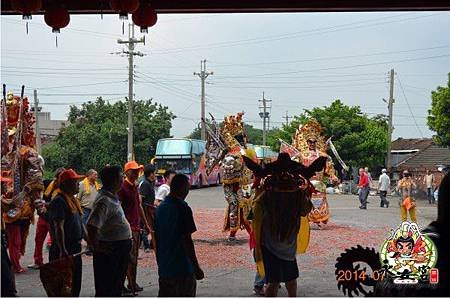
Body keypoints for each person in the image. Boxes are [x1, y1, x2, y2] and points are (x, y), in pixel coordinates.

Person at [86, 165, 132, 297]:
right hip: (111, 250)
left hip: (118, 249)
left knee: (115, 286)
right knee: (108, 287)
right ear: (114, 180)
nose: (123, 180)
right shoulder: (104, 201)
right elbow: (92, 226)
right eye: (121, 177)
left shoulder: (111, 197)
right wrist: (97, 247)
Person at [155, 174, 204, 297]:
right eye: (187, 188)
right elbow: (187, 240)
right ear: (182, 188)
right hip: (182, 267)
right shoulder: (182, 208)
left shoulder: (161, 208)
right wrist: (196, 267)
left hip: (165, 267)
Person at [291, 118, 339, 227]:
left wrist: (333, 175)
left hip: (319, 184)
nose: (312, 143)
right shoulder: (301, 155)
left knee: (319, 202)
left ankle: (319, 220)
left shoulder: (322, 155)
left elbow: (328, 168)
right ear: (306, 142)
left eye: (314, 141)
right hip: (306, 183)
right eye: (310, 141)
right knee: (305, 202)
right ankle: (305, 219)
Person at [48, 169, 85, 297]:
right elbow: (59, 227)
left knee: (75, 283)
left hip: (75, 247)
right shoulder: (59, 201)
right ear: (67, 184)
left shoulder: (73, 200)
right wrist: (62, 250)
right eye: (75, 182)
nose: (78, 185)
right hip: (64, 248)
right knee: (64, 287)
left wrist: (90, 242)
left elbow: (81, 224)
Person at [118, 161, 152, 295]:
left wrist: (146, 225)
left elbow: (139, 207)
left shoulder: (135, 187)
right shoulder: (123, 187)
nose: (136, 173)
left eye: (137, 171)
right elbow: (119, 210)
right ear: (126, 172)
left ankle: (132, 282)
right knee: (128, 259)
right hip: (128, 228)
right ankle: (125, 284)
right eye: (133, 171)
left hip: (137, 227)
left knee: (134, 258)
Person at [28, 167, 65, 269]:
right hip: (43, 216)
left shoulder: (63, 189)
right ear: (56, 178)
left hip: (54, 218)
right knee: (38, 239)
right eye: (59, 178)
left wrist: (46, 204)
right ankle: (38, 261)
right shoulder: (47, 183)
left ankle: (54, 261)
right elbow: (36, 189)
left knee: (55, 240)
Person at [139, 165, 157, 252]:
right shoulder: (145, 184)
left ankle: (148, 245)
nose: (155, 175)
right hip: (145, 210)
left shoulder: (151, 183)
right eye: (154, 173)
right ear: (150, 174)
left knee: (148, 227)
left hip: (150, 209)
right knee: (145, 228)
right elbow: (140, 199)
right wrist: (142, 209)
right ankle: (146, 246)